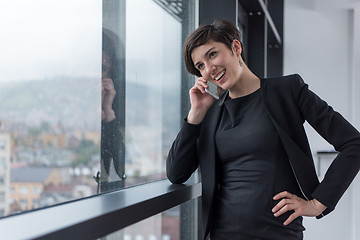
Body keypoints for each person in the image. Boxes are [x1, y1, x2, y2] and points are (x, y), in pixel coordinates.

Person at [166, 20, 360, 240]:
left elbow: (353, 143)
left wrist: (318, 204)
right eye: (200, 65)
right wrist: (195, 115)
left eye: (212, 55)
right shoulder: (211, 112)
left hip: (278, 233)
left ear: (236, 48)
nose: (209, 70)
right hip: (223, 234)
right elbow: (176, 173)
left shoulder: (287, 91)